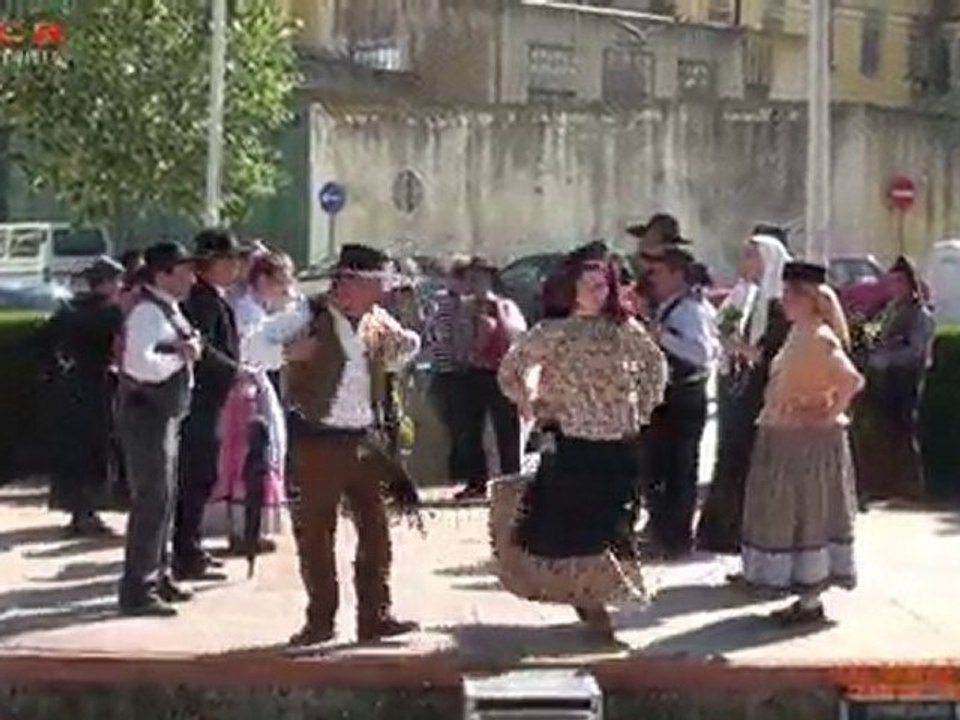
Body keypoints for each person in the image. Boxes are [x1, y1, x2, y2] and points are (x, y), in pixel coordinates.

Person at [491, 250, 666, 644]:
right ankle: (594, 606)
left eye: (603, 285)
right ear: (572, 290)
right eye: (589, 286)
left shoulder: (624, 330)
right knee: (581, 531)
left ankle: (603, 598)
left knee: (618, 524)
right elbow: (510, 370)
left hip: (620, 442)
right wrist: (531, 403)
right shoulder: (554, 332)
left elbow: (655, 365)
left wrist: (644, 407)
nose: (597, 293)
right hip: (574, 443)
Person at [280, 244, 422, 646]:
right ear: (350, 283)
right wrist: (286, 352)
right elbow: (253, 348)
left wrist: (401, 346)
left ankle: (375, 616)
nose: (384, 292)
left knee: (377, 532)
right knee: (316, 534)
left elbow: (407, 346)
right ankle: (320, 621)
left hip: (364, 438)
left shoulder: (377, 321)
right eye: (378, 284)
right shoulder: (306, 315)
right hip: (318, 439)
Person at [737, 261, 864, 625]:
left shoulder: (818, 336)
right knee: (793, 515)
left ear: (810, 299)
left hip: (805, 443)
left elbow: (851, 380)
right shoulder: (801, 332)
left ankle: (810, 600)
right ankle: (806, 598)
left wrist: (827, 413)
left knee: (809, 515)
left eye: (792, 293)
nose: (784, 299)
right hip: (787, 436)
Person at [117, 242, 201, 617]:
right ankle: (138, 588)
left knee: (164, 498)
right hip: (146, 415)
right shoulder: (147, 313)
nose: (191, 278)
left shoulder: (166, 308)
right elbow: (139, 364)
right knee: (152, 500)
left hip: (163, 415)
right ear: (163, 274)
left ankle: (158, 574)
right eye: (184, 271)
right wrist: (181, 356)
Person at [696, 234, 791, 553]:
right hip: (738, 388)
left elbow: (771, 355)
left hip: (761, 392)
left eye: (753, 256)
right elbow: (725, 328)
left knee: (752, 461)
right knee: (731, 456)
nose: (746, 262)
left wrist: (738, 347)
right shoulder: (747, 299)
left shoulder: (779, 306)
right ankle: (722, 533)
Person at [206, 252, 293, 562]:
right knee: (246, 458)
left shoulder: (253, 308)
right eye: (280, 281)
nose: (284, 289)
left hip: (252, 383)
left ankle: (248, 528)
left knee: (251, 457)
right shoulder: (247, 311)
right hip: (245, 387)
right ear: (263, 280)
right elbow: (253, 350)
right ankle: (243, 529)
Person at [173, 229, 244, 581]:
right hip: (197, 402)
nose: (236, 267)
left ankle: (192, 546)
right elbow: (204, 349)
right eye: (230, 260)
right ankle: (185, 552)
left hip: (210, 402)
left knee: (203, 476)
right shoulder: (200, 300)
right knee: (194, 477)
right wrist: (237, 371)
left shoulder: (213, 297)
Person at [642, 246, 719, 558]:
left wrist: (660, 336)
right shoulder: (670, 306)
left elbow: (702, 355)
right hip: (666, 400)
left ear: (676, 275)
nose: (653, 279)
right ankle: (663, 532)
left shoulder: (690, 310)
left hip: (683, 400)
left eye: (659, 272)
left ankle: (676, 538)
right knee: (659, 468)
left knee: (679, 469)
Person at [45, 256, 126, 536]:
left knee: (73, 448)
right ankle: (88, 510)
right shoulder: (111, 313)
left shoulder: (68, 310)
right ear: (106, 283)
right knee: (96, 446)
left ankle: (77, 510)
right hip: (98, 383)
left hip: (69, 384)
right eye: (116, 281)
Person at [853, 256, 934, 504]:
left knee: (903, 433)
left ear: (911, 284)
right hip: (883, 382)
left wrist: (884, 359)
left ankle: (910, 489)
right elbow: (879, 336)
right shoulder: (890, 310)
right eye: (892, 282)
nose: (895, 287)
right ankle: (883, 486)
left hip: (905, 382)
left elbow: (915, 352)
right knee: (880, 434)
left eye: (900, 282)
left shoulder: (920, 315)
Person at [454, 257, 527, 500]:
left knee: (507, 428)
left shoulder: (506, 306)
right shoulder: (463, 308)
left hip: (502, 372)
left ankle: (512, 479)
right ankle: (476, 482)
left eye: (480, 277)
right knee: (471, 429)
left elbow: (518, 338)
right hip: (474, 373)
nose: (476, 283)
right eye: (472, 278)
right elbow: (458, 343)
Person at [422, 256, 473, 484]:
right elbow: (436, 334)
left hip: (460, 373)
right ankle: (457, 475)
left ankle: (461, 475)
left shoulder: (466, 303)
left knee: (461, 430)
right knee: (455, 429)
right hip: (447, 373)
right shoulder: (445, 302)